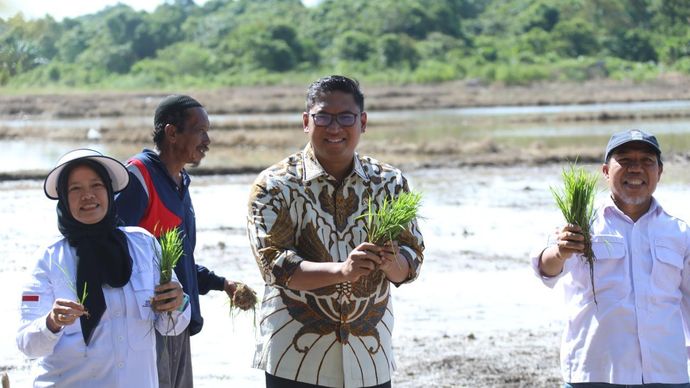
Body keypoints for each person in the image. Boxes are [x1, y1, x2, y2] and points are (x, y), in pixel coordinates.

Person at [247, 75, 425, 388]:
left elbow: (412, 261)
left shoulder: (389, 182)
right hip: (296, 358)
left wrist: (390, 262)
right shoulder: (274, 185)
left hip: (369, 354)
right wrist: (343, 270)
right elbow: (274, 266)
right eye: (323, 117)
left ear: (363, 122)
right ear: (306, 121)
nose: (334, 128)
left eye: (345, 117)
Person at [17, 148, 190, 387]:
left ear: (109, 191)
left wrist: (177, 302)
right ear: (64, 200)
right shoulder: (49, 259)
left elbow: (173, 325)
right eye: (75, 189)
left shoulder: (144, 245)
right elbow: (27, 344)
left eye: (96, 185)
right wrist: (51, 322)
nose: (88, 195)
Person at [532, 129, 690, 387]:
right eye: (625, 160)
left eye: (646, 161)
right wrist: (560, 252)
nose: (636, 169)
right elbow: (545, 268)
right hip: (595, 373)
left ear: (659, 172)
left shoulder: (679, 232)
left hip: (666, 374)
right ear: (606, 171)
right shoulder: (579, 223)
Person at [114, 95, 241, 388]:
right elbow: (113, 250)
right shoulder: (139, 177)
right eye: (200, 131)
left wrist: (220, 284)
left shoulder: (179, 181)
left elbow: (175, 261)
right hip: (145, 328)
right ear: (172, 132)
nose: (207, 140)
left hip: (177, 323)